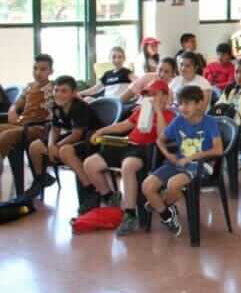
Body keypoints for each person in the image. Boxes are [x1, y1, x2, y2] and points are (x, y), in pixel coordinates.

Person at [83, 79, 175, 236]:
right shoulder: (141, 111)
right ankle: (110, 196)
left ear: (165, 97)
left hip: (145, 150)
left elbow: (162, 136)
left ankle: (130, 213)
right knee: (89, 164)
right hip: (127, 144)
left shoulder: (169, 114)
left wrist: (158, 111)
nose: (150, 98)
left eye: (155, 94)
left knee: (128, 167)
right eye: (148, 95)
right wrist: (102, 131)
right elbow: (124, 125)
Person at [141, 85, 224, 237]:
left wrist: (193, 157)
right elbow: (160, 140)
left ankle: (161, 204)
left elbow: (218, 150)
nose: (183, 108)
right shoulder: (178, 121)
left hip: (201, 165)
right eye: (180, 104)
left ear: (199, 104)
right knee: (147, 186)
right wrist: (168, 155)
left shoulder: (210, 122)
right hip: (177, 162)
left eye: (187, 103)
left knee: (173, 184)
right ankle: (167, 215)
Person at [25, 75, 99, 201]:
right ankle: (40, 179)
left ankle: (89, 189)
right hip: (75, 136)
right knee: (35, 146)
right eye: (56, 90)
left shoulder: (79, 107)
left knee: (64, 151)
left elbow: (77, 134)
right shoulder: (56, 106)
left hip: (90, 139)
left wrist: (57, 146)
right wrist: (51, 145)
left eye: (64, 91)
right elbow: (55, 128)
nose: (59, 94)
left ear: (74, 93)